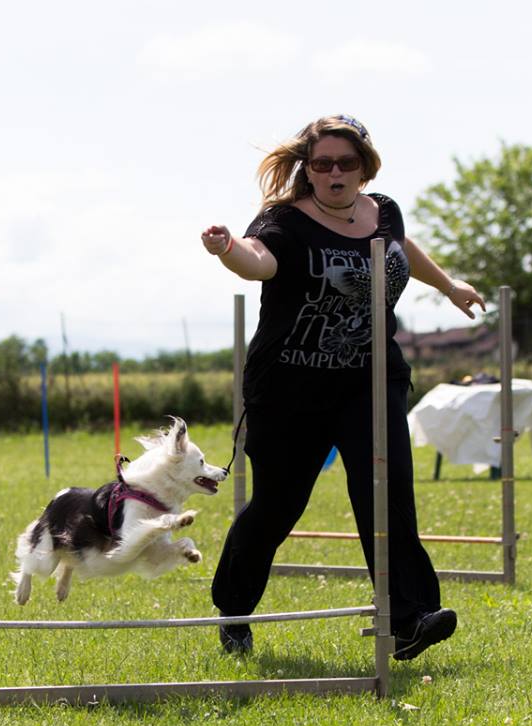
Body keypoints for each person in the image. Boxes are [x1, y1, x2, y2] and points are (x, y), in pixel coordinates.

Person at [200, 114, 485, 659]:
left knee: (388, 492)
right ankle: (234, 609)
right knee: (278, 505)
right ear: (307, 169)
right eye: (323, 163)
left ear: (364, 167)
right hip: (290, 387)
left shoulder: (384, 211)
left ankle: (409, 619)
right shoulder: (284, 220)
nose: (334, 172)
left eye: (345, 163)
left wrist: (448, 285)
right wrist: (227, 247)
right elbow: (258, 263)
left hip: (370, 379)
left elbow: (400, 246)